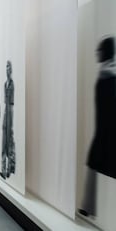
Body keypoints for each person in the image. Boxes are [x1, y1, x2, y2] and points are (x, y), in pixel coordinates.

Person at [79, 36, 116, 217]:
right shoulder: (106, 75)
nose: (96, 54)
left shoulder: (109, 78)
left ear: (105, 53)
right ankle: (89, 208)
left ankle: (90, 208)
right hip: (103, 131)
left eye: (99, 51)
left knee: (98, 165)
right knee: (95, 166)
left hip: (106, 132)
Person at [0, 60, 15, 179]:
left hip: (10, 110)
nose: (7, 69)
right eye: (6, 67)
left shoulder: (11, 84)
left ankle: (9, 168)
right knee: (4, 139)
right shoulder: (5, 84)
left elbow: (11, 102)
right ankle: (3, 168)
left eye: (9, 67)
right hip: (6, 111)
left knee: (9, 140)